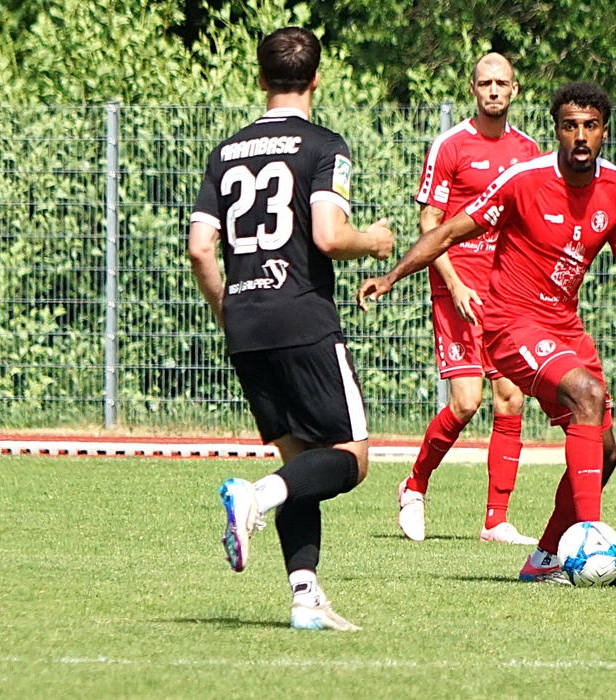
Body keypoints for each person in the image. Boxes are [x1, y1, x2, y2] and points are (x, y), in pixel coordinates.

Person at [357, 82, 616, 584]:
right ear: (556, 130)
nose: (580, 136)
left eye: (590, 126)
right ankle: (591, 543)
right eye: (570, 126)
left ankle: (543, 560)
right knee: (586, 393)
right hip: (510, 323)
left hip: (564, 326)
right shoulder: (524, 180)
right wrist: (391, 277)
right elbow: (447, 230)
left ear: (604, 131)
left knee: (605, 453)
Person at [188, 26, 393, 629]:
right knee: (350, 459)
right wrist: (374, 241)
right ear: (316, 79)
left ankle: (305, 597)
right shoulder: (324, 145)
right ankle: (255, 496)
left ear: (261, 78)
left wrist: (228, 308)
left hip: (246, 322)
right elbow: (328, 235)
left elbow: (200, 248)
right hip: (303, 315)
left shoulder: (226, 152)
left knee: (298, 462)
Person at [398, 53, 541, 545]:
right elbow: (429, 225)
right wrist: (456, 284)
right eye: (485, 83)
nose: (494, 90)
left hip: (507, 296)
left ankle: (495, 521)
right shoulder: (451, 145)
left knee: (511, 398)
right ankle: (414, 486)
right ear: (473, 89)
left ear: (515, 90)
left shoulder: (528, 150)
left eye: (502, 83)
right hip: (456, 289)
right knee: (466, 402)